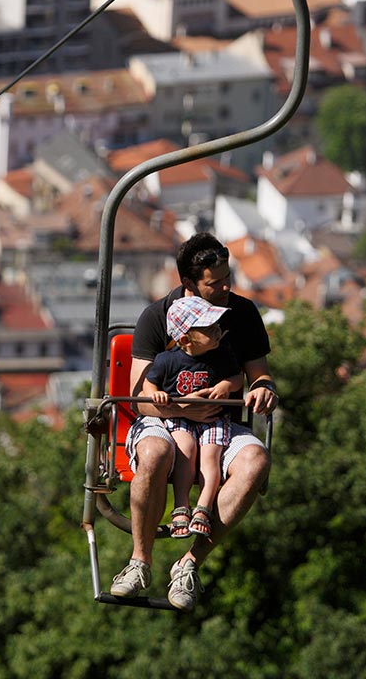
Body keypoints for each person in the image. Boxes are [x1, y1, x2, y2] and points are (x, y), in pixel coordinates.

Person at [110, 232, 277, 610]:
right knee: (153, 452)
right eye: (214, 284)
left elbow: (258, 375)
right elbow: (141, 398)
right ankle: (140, 561)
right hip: (166, 421)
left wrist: (263, 389)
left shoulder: (243, 314)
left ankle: (189, 563)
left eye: (227, 279)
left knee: (257, 461)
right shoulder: (157, 318)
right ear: (189, 283)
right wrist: (183, 409)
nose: (225, 288)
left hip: (219, 423)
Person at [142, 295, 243, 540]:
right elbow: (148, 384)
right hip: (181, 420)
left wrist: (227, 386)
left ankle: (204, 508)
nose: (218, 331)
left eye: (217, 325)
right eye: (209, 328)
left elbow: (238, 377)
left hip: (213, 418)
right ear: (185, 339)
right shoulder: (167, 360)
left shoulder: (222, 353)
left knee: (211, 455)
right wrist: (157, 396)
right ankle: (181, 506)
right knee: (185, 450)